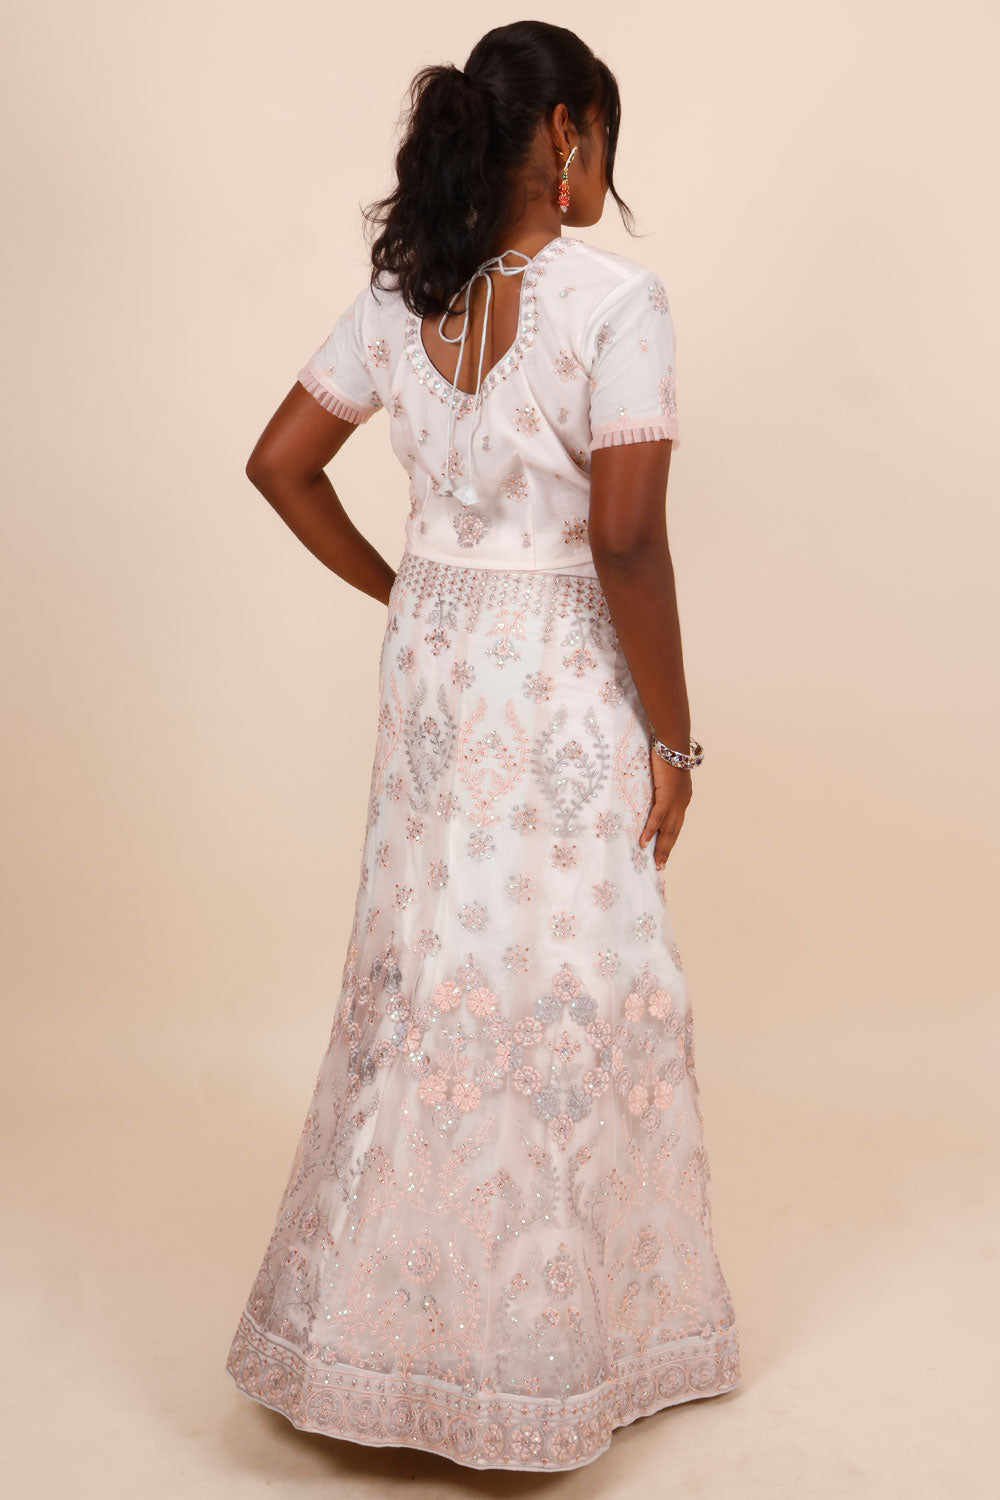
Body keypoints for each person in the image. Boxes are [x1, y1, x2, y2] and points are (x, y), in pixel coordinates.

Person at [225, 19, 741, 1474]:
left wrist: (408, 589)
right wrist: (677, 744)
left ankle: (372, 1343)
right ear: (567, 131)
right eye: (604, 139)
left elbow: (279, 463)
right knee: (573, 979)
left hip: (438, 673)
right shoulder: (614, 301)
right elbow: (624, 540)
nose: (605, 172)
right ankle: (540, 1355)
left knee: (426, 969)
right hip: (560, 675)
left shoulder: (404, 295)